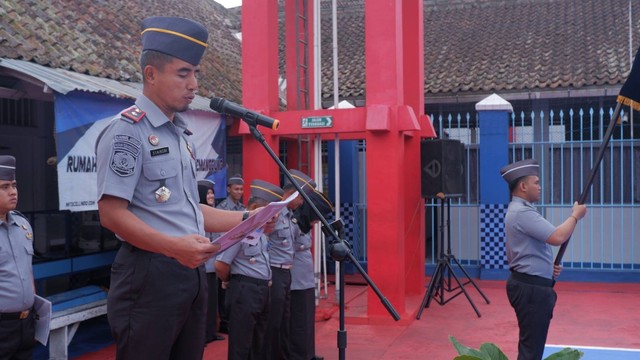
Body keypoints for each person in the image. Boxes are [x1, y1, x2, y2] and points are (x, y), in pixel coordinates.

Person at [95, 17, 254, 360]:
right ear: (151, 74)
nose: (194, 84)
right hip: (150, 274)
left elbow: (190, 211)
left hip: (189, 272)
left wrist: (250, 217)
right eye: (184, 74)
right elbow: (110, 214)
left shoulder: (180, 136)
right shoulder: (128, 132)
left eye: (195, 73)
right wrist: (172, 248)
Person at [500, 159, 587, 360]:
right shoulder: (522, 212)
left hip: (530, 285)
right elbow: (557, 237)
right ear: (523, 186)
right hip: (531, 290)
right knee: (531, 351)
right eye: (536, 182)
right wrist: (575, 216)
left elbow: (532, 248)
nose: (539, 187)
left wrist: (548, 267)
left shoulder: (521, 210)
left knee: (532, 346)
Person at [215, 179, 283, 360]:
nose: (273, 218)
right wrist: (229, 280)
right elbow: (220, 265)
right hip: (245, 289)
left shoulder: (261, 231)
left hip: (262, 290)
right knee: (241, 344)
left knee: (258, 342)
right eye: (269, 212)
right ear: (254, 207)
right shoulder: (240, 230)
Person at [262, 169, 314, 360]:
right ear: (292, 194)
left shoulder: (290, 216)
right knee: (274, 322)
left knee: (285, 321)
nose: (301, 202)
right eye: (300, 197)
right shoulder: (273, 213)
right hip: (273, 272)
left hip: (287, 272)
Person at [0, 155, 37, 360]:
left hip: (25, 323)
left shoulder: (23, 226)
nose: (13, 191)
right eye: (4, 187)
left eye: (14, 185)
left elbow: (27, 271)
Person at [290, 188, 333, 360]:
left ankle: (307, 352)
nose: (316, 221)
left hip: (305, 278)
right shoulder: (294, 223)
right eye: (316, 216)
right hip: (295, 279)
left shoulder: (305, 225)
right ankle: (298, 355)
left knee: (307, 320)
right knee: (297, 322)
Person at [215, 174, 246, 333]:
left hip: (239, 256)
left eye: (241, 189)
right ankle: (224, 322)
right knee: (223, 292)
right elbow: (218, 235)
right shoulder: (221, 209)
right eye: (236, 189)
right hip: (225, 255)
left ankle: (232, 319)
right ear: (228, 189)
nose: (239, 192)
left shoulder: (243, 209)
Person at [198, 179, 225, 344]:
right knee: (203, 304)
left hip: (214, 265)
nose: (211, 196)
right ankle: (202, 335)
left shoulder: (214, 213)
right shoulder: (198, 215)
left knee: (213, 303)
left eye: (212, 193)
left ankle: (211, 331)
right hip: (203, 265)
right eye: (207, 193)